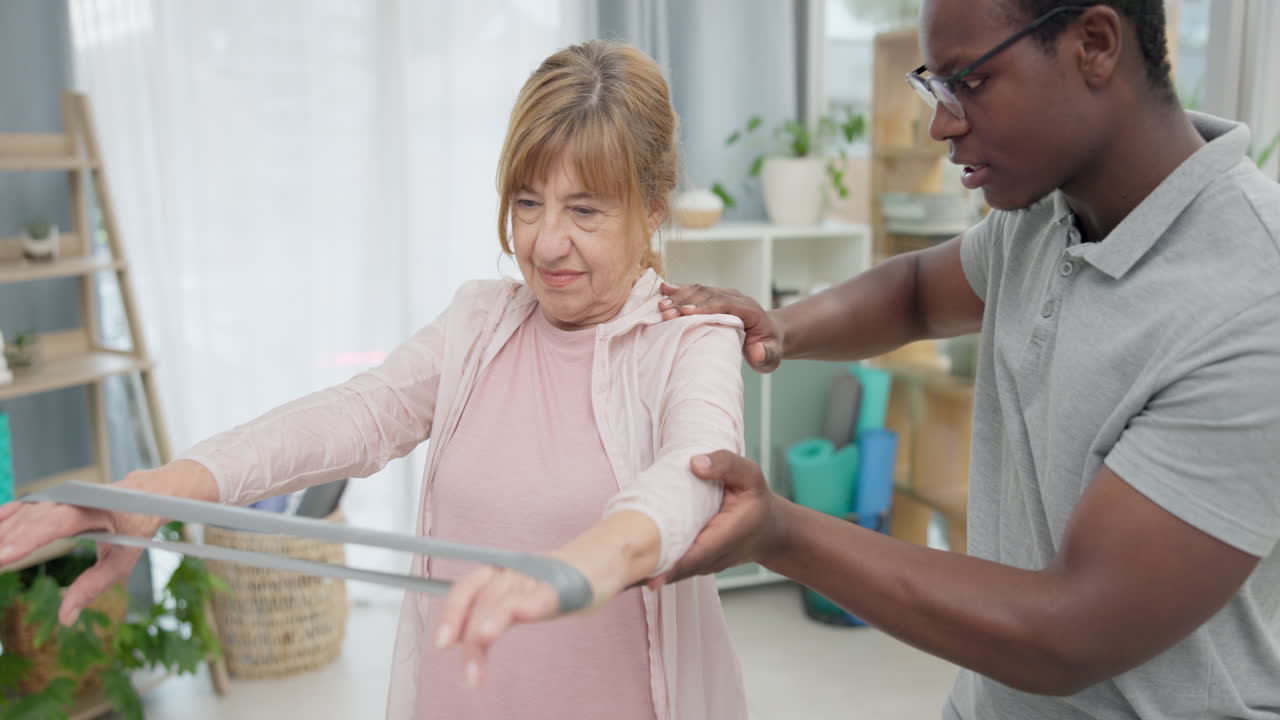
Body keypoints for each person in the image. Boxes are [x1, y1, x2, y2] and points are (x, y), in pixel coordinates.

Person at [0, 40, 751, 720]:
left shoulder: (692, 341)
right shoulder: (480, 321)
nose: (545, 241)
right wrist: (153, 491)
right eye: (527, 203)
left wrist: (572, 570)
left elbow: (687, 486)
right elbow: (354, 415)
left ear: (653, 208)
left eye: (584, 210)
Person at [654, 1, 1280, 718]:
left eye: (971, 82)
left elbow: (1068, 634)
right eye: (937, 86)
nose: (941, 124)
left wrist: (780, 532)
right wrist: (781, 327)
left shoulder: (1254, 301)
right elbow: (917, 291)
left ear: (1095, 45)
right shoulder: (1045, 216)